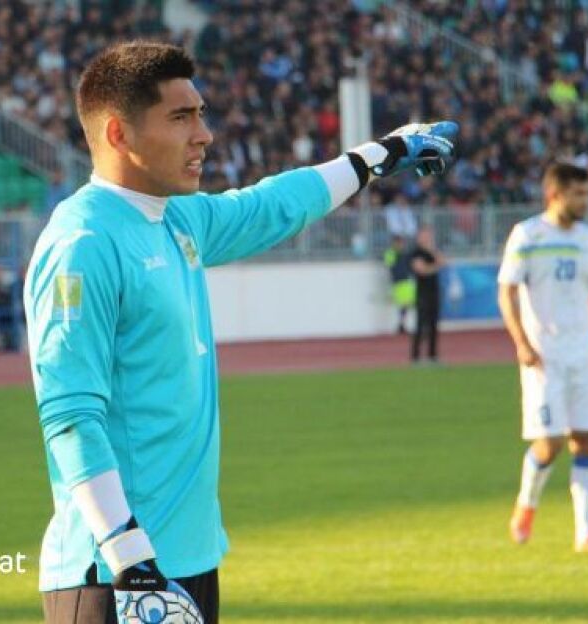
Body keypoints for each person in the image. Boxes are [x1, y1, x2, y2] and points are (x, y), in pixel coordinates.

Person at [23, 41, 456, 624]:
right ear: (119, 134)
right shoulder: (83, 244)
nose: (204, 135)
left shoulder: (176, 217)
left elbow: (273, 204)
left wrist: (379, 155)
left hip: (186, 557)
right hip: (117, 571)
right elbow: (70, 412)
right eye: (181, 117)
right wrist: (127, 552)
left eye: (200, 115)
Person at [498, 162, 588, 553]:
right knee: (550, 444)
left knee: (587, 439)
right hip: (544, 357)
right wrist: (521, 342)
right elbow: (507, 291)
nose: (585, 201)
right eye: (578, 194)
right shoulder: (527, 235)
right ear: (554, 195)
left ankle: (586, 533)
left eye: (587, 193)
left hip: (584, 353)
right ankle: (526, 504)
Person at [409, 226, 445, 363]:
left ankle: (432, 355)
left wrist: (432, 251)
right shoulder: (416, 252)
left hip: (434, 292)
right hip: (422, 293)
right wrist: (435, 267)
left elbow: (443, 262)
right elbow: (421, 270)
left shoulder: (432, 251)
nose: (427, 238)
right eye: (424, 235)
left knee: (434, 325)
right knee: (421, 325)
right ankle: (416, 356)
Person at [383, 234, 415, 334]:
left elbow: (410, 266)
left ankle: (402, 324)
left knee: (407, 304)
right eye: (399, 243)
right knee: (403, 303)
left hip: (406, 281)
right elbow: (390, 265)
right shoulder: (390, 253)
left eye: (402, 243)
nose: (401, 245)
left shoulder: (405, 254)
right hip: (398, 282)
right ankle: (401, 324)